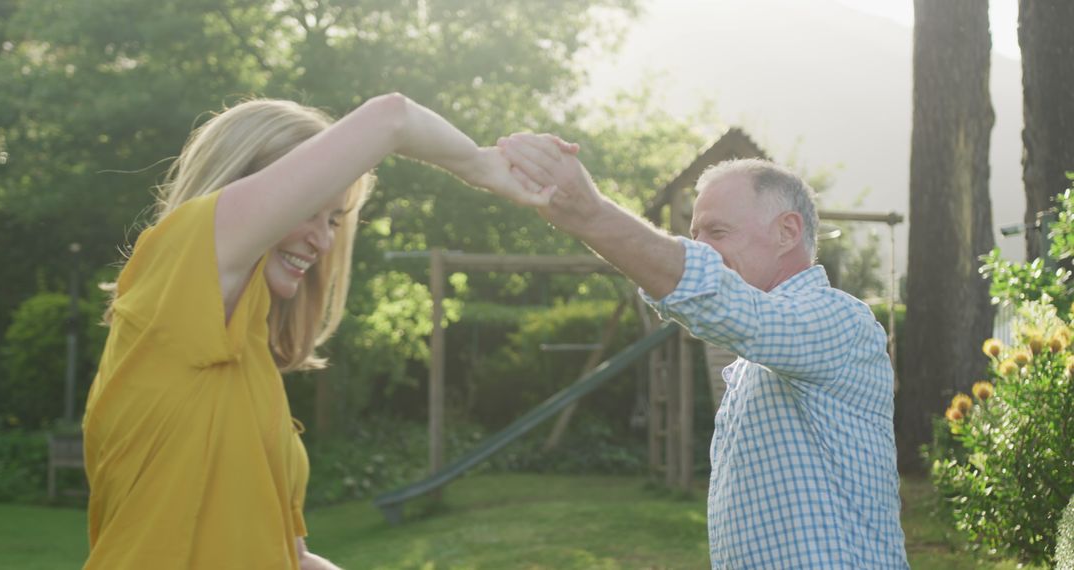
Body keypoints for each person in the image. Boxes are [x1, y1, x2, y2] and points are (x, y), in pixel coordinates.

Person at [82, 94, 546, 570]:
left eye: (334, 220)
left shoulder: (245, 356)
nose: (324, 241)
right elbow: (393, 117)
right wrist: (480, 165)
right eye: (307, 212)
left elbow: (285, 555)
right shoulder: (177, 278)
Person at [498, 134, 909, 569]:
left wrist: (590, 214)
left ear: (788, 231)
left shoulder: (839, 322)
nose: (701, 249)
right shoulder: (754, 360)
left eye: (717, 232)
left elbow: (719, 301)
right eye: (695, 236)